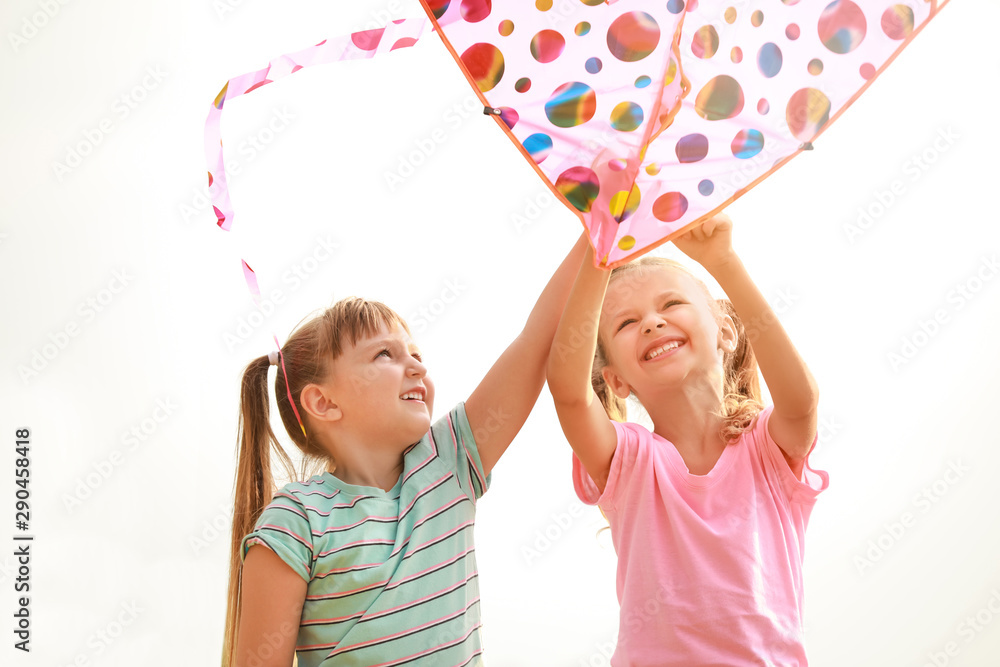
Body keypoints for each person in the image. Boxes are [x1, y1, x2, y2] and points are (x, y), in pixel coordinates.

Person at [223, 234, 588, 667]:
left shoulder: (447, 464)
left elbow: (538, 339)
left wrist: (599, 232)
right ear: (324, 402)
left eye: (414, 353)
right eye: (385, 355)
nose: (417, 366)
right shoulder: (296, 521)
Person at [547, 213, 829, 665]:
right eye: (626, 323)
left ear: (726, 331)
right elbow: (569, 393)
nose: (652, 324)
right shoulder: (631, 460)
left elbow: (801, 401)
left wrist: (724, 262)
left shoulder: (767, 452)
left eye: (672, 304)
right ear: (616, 381)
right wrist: (599, 257)